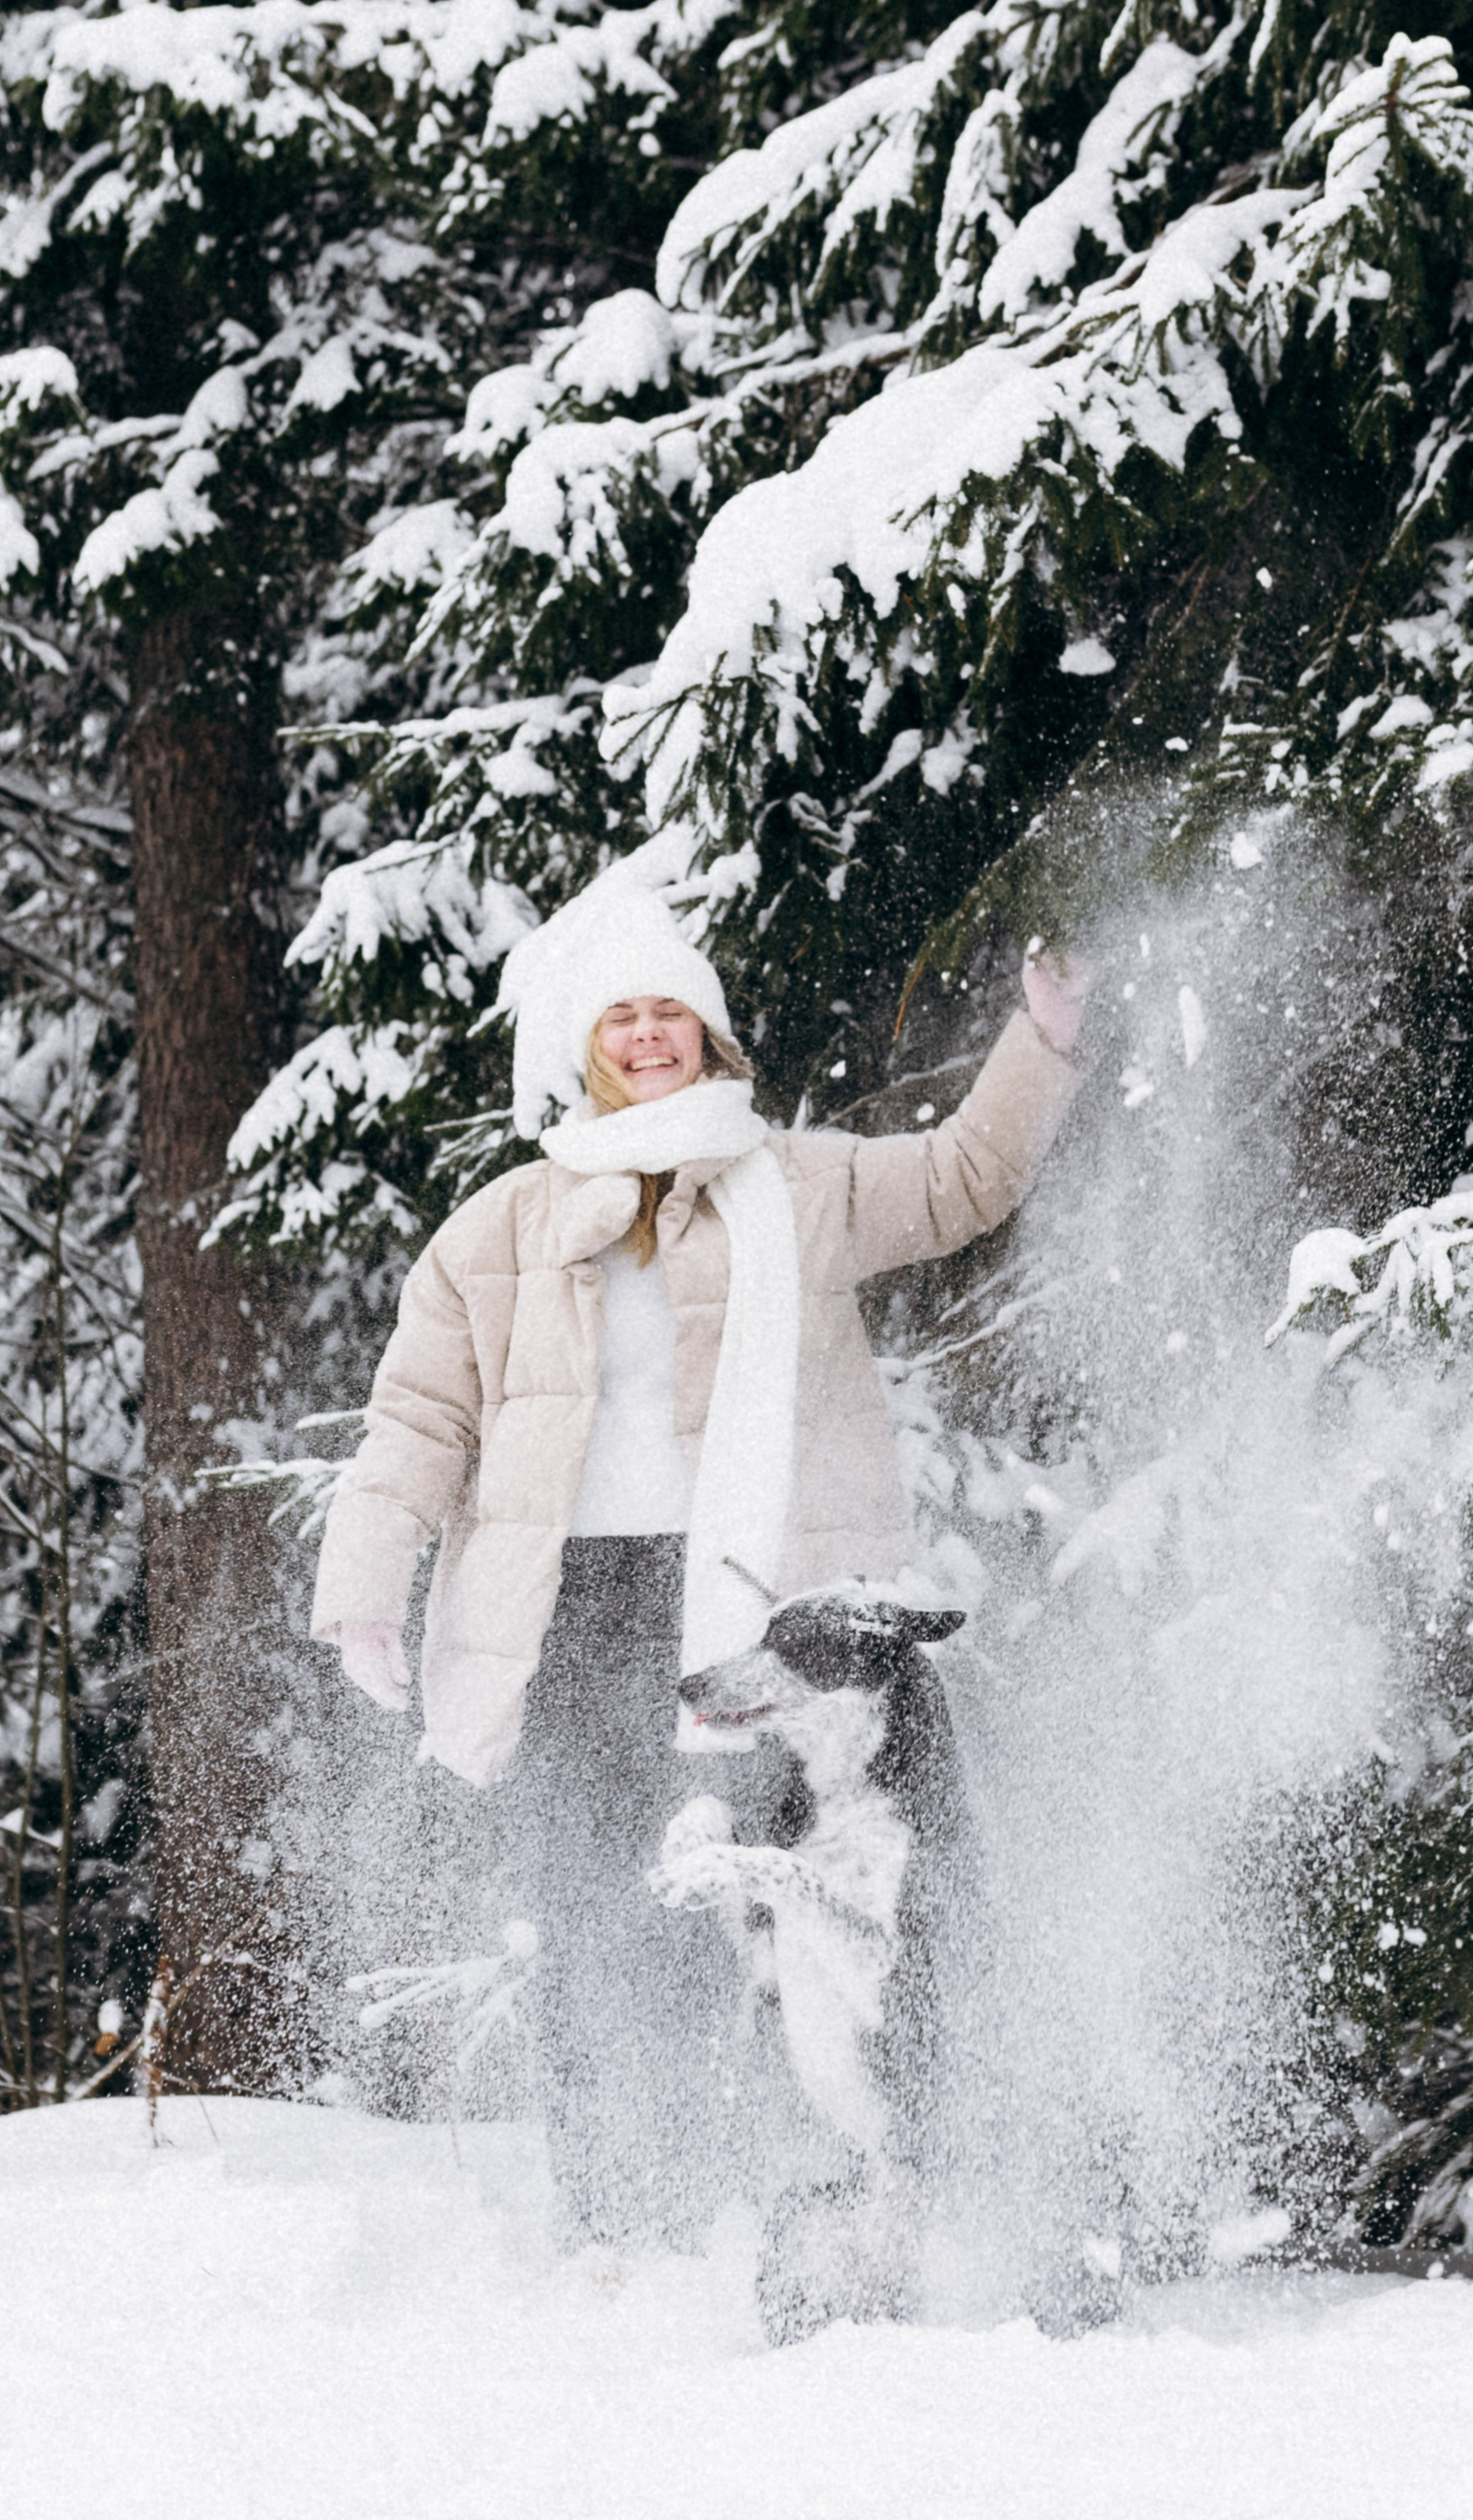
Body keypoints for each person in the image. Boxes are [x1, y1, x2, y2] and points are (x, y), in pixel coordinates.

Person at [310, 886, 1087, 2241]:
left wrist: (1046, 1039)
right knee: (596, 1910)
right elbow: (420, 1419)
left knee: (786, 1899)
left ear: (710, 1033)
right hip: (571, 1614)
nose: (649, 1034)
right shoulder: (502, 1226)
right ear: (584, 1044)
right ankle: (622, 2218)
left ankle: (805, 2204)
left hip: (752, 1616)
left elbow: (968, 1178)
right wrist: (366, 1591)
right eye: (621, 1016)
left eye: (671, 1010)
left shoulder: (803, 1185)